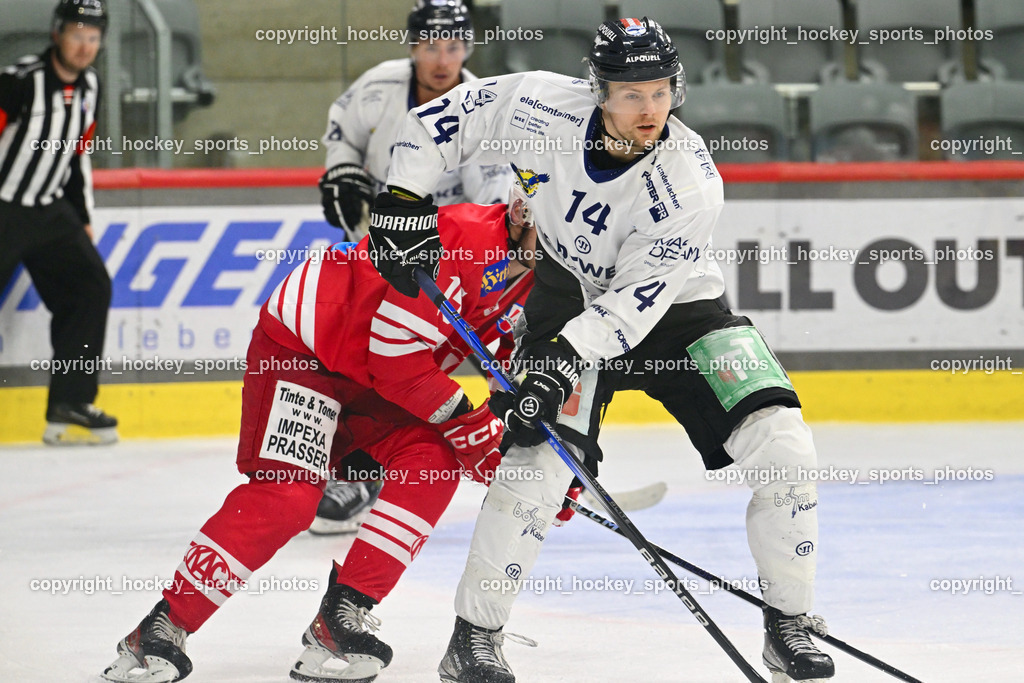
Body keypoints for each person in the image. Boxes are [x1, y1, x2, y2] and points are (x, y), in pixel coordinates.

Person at [366, 17, 836, 683]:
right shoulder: (537, 105)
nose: (650, 110)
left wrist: (561, 358)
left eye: (661, 92)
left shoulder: (691, 181)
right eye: (631, 94)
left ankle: (789, 620)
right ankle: (474, 635)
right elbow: (439, 122)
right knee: (534, 464)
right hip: (566, 294)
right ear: (599, 92)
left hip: (680, 311)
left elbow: (636, 306)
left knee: (785, 445)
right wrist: (402, 199)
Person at [99, 188, 538, 683]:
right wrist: (469, 425)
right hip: (305, 354)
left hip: (378, 376)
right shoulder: (461, 239)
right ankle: (164, 624)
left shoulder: (541, 272)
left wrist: (536, 471)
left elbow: (510, 373)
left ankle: (342, 612)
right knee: (289, 496)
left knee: (433, 459)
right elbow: (396, 360)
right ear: (523, 212)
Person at [313, 0, 512, 533]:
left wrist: (449, 252)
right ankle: (346, 471)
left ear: (468, 48)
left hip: (442, 258)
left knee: (415, 365)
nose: (442, 59)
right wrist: (345, 172)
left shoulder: (483, 108)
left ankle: (373, 465)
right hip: (374, 250)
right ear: (412, 47)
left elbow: (489, 199)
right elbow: (342, 129)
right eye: (430, 46)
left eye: (453, 46)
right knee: (356, 358)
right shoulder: (379, 88)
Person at [0, 0, 117, 445]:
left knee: (90, 289)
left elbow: (77, 155)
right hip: (3, 207)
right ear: (57, 34)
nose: (85, 46)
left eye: (93, 36)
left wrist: (84, 217)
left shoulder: (90, 85)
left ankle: (70, 400)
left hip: (50, 212)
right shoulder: (18, 83)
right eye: (76, 34)